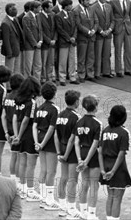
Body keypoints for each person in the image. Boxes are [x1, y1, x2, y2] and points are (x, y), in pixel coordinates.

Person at [98, 105, 131, 220]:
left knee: (111, 196)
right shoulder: (124, 132)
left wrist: (102, 170)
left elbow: (100, 152)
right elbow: (121, 153)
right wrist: (113, 171)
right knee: (117, 198)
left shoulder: (105, 130)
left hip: (106, 165)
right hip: (117, 168)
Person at [33, 81, 59, 209]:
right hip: (49, 142)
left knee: (43, 169)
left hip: (39, 139)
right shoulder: (55, 109)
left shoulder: (39, 108)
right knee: (51, 171)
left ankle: (43, 198)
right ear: (54, 94)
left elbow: (34, 126)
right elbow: (51, 128)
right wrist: (43, 144)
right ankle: (49, 200)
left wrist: (36, 142)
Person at [75, 95, 102, 220]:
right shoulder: (98, 124)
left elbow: (76, 142)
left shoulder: (79, 122)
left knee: (84, 183)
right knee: (94, 185)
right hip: (93, 156)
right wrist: (86, 161)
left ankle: (82, 212)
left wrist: (80, 159)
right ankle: (91, 214)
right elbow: (95, 144)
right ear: (95, 107)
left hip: (82, 152)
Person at [56, 90, 81, 218]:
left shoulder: (60, 115)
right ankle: (71, 207)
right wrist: (66, 154)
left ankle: (62, 206)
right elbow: (73, 139)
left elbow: (56, 135)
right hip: (71, 152)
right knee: (73, 179)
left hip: (61, 147)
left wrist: (59, 151)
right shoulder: (76, 117)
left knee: (63, 178)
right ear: (76, 102)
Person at [111, 0, 131, 77]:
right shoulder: (113, 2)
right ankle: (118, 70)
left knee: (128, 49)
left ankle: (128, 69)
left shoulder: (128, 2)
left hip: (127, 27)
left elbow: (129, 15)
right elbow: (111, 16)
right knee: (118, 50)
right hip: (118, 27)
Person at [55, 0, 78, 85]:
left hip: (72, 41)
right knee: (63, 61)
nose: (72, 6)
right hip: (64, 42)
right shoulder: (58, 15)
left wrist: (74, 37)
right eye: (70, 5)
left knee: (72, 60)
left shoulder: (71, 14)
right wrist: (69, 38)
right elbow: (60, 29)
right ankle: (62, 78)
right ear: (66, 6)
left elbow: (75, 26)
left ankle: (72, 76)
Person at [74, 0, 97, 82]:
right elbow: (78, 24)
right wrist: (88, 31)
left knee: (90, 57)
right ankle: (81, 75)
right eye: (87, 0)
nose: (88, 2)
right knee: (82, 57)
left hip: (91, 36)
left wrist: (94, 30)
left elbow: (96, 21)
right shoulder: (76, 10)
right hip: (82, 37)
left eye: (89, 0)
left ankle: (90, 74)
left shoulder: (91, 9)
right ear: (81, 1)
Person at [92, 0, 114, 78]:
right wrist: (101, 31)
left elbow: (113, 20)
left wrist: (109, 30)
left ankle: (106, 71)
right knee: (98, 54)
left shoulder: (109, 6)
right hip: (99, 34)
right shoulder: (93, 7)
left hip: (108, 34)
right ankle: (97, 73)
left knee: (107, 53)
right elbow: (94, 21)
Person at [22, 1, 44, 80]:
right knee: (28, 66)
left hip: (38, 44)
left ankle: (36, 81)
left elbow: (40, 29)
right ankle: (27, 82)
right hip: (30, 46)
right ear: (34, 8)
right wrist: (35, 43)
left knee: (38, 65)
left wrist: (41, 40)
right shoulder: (26, 17)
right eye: (39, 7)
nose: (40, 9)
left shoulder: (37, 16)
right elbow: (28, 32)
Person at [1, 3, 23, 75]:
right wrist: (9, 52)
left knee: (17, 70)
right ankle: (8, 86)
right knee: (9, 71)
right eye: (14, 9)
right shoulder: (5, 23)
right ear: (9, 10)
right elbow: (6, 40)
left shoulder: (15, 19)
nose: (16, 11)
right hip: (11, 51)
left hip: (17, 49)